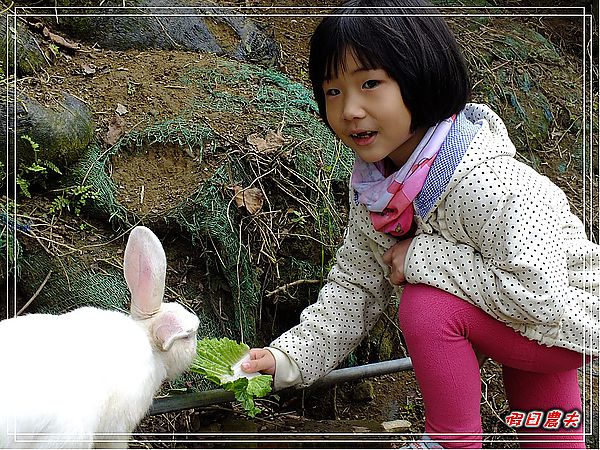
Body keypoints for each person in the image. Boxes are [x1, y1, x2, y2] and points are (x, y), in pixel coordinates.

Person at [242, 1, 600, 448]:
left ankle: (451, 441)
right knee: (543, 431)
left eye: (370, 84)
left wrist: (423, 258)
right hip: (533, 328)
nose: (350, 109)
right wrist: (287, 358)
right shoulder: (380, 187)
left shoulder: (486, 182)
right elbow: (356, 286)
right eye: (333, 91)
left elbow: (539, 296)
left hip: (566, 321)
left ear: (420, 76)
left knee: (427, 308)